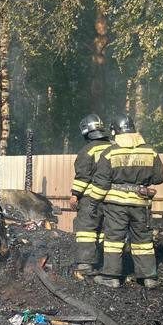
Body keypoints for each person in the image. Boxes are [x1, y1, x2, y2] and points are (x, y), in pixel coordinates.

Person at [93, 115, 163, 288]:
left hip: (116, 205)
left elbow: (101, 181)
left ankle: (111, 277)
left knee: (114, 240)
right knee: (143, 240)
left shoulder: (110, 152)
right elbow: (160, 177)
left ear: (115, 131)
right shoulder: (150, 151)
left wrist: (94, 202)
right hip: (141, 204)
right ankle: (148, 277)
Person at [70, 113, 111, 272]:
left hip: (90, 198)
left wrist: (75, 194)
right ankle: (104, 262)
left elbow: (83, 176)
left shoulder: (87, 151)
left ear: (86, 132)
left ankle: (85, 263)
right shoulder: (114, 147)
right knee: (105, 230)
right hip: (112, 197)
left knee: (86, 230)